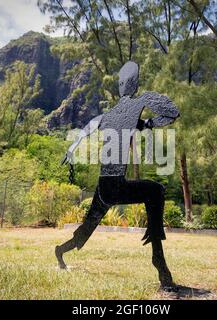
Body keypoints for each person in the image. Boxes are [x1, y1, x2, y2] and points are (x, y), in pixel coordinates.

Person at [55, 61, 180, 291]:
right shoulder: (138, 102)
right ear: (134, 85)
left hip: (105, 186)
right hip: (114, 186)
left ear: (123, 85)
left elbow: (89, 127)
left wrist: (71, 150)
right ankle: (159, 261)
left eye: (125, 81)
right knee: (155, 191)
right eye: (126, 81)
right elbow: (172, 112)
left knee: (87, 228)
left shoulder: (110, 114)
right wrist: (150, 121)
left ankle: (60, 251)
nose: (126, 84)